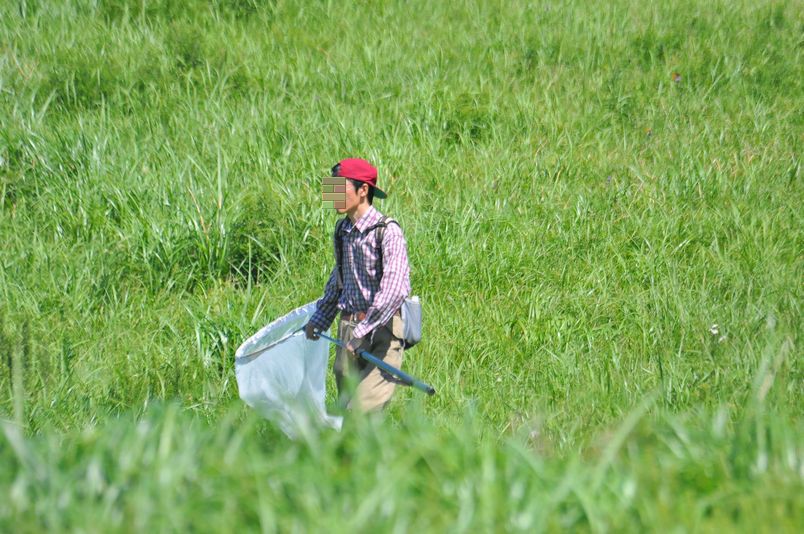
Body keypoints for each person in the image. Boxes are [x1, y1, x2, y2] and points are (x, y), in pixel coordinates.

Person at [304, 158, 411, 412]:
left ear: (363, 190)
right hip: (348, 331)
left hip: (381, 333)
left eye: (340, 187)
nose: (333, 195)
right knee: (345, 413)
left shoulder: (387, 231)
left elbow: (395, 289)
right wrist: (320, 319)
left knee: (360, 413)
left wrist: (362, 332)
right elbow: (339, 279)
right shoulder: (343, 230)